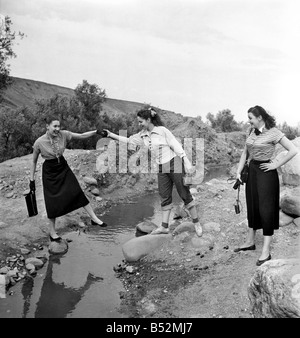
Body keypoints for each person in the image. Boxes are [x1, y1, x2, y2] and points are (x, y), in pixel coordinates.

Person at [103, 106, 203, 236]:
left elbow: (176, 145)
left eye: (141, 121)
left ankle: (196, 223)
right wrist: (110, 135)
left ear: (149, 119)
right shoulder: (142, 135)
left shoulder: (162, 131)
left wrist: (186, 161)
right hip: (161, 167)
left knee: (184, 193)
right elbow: (129, 140)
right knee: (164, 195)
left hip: (174, 163)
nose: (139, 124)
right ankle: (165, 227)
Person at [234, 105, 298, 266]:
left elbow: (293, 150)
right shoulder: (250, 132)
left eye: (251, 118)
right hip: (252, 172)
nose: (248, 122)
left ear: (260, 118)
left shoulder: (274, 132)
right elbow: (245, 153)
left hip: (266, 173)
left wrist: (275, 164)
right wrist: (239, 171)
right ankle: (250, 241)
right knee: (253, 205)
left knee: (266, 209)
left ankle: (266, 250)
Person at [30, 116, 107, 242]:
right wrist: (31, 180)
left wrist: (95, 132)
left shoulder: (64, 134)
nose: (57, 129)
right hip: (50, 171)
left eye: (59, 126)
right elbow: (33, 162)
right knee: (52, 201)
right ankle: (52, 232)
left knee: (76, 191)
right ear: (47, 126)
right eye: (54, 126)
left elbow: (82, 135)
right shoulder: (39, 142)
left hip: (63, 167)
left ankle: (94, 218)